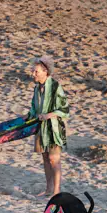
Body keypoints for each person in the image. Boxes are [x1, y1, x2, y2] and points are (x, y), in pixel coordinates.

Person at [30, 57, 69, 197]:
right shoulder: (37, 88)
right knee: (45, 158)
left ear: (45, 71)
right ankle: (48, 189)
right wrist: (31, 116)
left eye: (36, 71)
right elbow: (34, 107)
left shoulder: (55, 87)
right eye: (33, 71)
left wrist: (48, 115)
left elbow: (64, 109)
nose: (33, 74)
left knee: (54, 158)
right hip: (41, 128)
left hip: (54, 128)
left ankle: (57, 191)